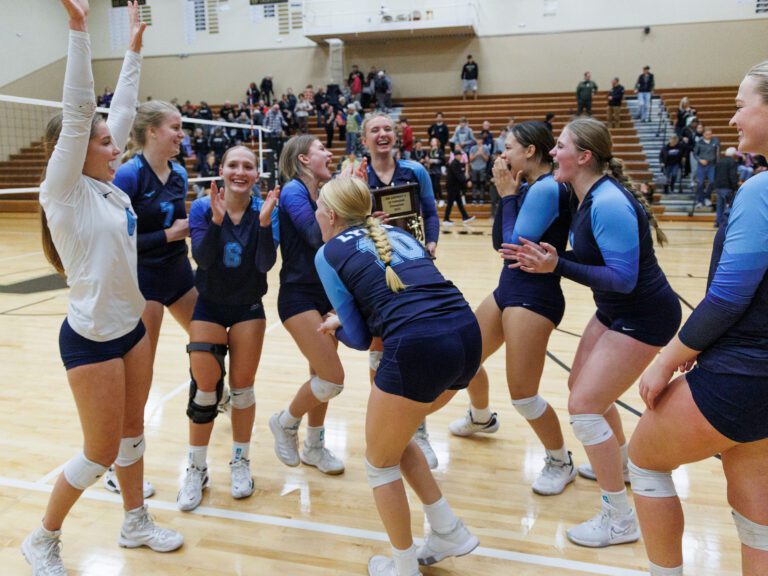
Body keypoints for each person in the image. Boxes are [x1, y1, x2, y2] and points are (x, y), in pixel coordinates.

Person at [22, 3, 184, 574]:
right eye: (106, 142)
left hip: (131, 327)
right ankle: (42, 538)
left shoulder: (105, 182)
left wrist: (135, 44)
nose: (118, 147)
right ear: (78, 148)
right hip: (91, 339)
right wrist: (78, 31)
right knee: (98, 452)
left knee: (133, 434)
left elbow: (121, 108)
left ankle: (136, 521)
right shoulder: (62, 192)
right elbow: (78, 112)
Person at [504, 117, 681, 548]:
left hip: (644, 314)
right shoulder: (584, 195)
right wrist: (557, 255)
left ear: (583, 157)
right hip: (616, 311)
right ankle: (618, 465)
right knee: (581, 388)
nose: (554, 152)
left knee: (584, 406)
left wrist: (556, 264)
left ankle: (619, 518)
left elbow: (622, 279)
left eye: (560, 146)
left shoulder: (607, 203)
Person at [629, 62, 768, 576]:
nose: (732, 119)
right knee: (758, 508)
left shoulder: (761, 190)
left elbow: (729, 297)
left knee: (643, 462)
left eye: (740, 104)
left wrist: (666, 361)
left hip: (742, 371)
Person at [314, 177, 481, 576]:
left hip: (421, 347)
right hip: (466, 337)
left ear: (332, 215)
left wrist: (338, 324)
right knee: (395, 437)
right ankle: (447, 530)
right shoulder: (392, 231)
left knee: (379, 462)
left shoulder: (327, 253)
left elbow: (358, 337)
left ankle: (403, 566)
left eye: (320, 208)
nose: (317, 214)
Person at [449, 122, 575, 495]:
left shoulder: (547, 188)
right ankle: (481, 417)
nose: (502, 155)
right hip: (509, 289)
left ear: (531, 151)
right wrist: (506, 193)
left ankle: (559, 460)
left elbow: (510, 248)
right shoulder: (530, 187)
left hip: (533, 298)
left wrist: (506, 195)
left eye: (509, 148)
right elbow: (499, 244)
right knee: (464, 354)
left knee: (523, 394)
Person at [178, 146, 279, 511]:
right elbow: (202, 259)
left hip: (248, 307)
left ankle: (240, 461)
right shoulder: (204, 208)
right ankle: (196, 468)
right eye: (233, 164)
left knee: (242, 389)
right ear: (220, 169)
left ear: (256, 174)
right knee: (205, 389)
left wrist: (266, 225)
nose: (240, 171)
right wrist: (218, 222)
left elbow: (266, 263)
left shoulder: (266, 211)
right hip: (209, 306)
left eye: (247, 166)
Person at [109, 100, 198, 496]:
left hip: (178, 272)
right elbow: (116, 239)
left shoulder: (178, 173)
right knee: (139, 379)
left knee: (211, 342)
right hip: (143, 280)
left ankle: (212, 396)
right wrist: (166, 235)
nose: (182, 134)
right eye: (175, 127)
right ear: (151, 132)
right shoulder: (128, 176)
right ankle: (119, 465)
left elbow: (182, 224)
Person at [362, 112, 442, 467]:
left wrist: (434, 242)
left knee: (417, 347)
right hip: (374, 270)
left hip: (414, 267)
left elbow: (430, 213)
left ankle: (418, 431)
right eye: (374, 130)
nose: (382, 134)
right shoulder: (355, 176)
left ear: (397, 136)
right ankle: (387, 427)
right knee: (378, 346)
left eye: (387, 129)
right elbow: (344, 221)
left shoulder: (416, 171)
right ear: (364, 140)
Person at [268, 135, 346, 476]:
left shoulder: (323, 194)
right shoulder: (293, 191)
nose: (329, 154)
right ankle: (285, 422)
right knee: (333, 378)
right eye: (321, 150)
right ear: (303, 159)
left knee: (319, 374)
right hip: (298, 295)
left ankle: (314, 446)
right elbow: (318, 237)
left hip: (327, 295)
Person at [443, 143, 474, 226]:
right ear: (456, 156)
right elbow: (459, 176)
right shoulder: (454, 164)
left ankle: (465, 217)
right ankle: (446, 219)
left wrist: (466, 180)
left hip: (455, 186)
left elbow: (460, 175)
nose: (461, 157)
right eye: (459, 155)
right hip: (452, 186)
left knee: (459, 203)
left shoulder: (457, 163)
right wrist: (467, 181)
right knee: (450, 203)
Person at [712, 146, 739, 228]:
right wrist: (735, 187)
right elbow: (732, 175)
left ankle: (718, 222)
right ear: (733, 154)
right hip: (727, 187)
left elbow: (715, 174)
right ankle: (725, 223)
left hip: (718, 186)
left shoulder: (719, 161)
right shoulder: (732, 162)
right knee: (728, 206)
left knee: (719, 205)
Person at [694, 128, 720, 207]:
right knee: (700, 183)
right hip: (701, 165)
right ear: (703, 134)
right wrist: (700, 160)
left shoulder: (715, 141)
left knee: (712, 181)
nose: (709, 135)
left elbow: (717, 152)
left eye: (710, 134)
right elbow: (695, 154)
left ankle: (707, 197)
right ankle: (699, 200)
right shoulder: (699, 142)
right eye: (707, 134)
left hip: (711, 165)